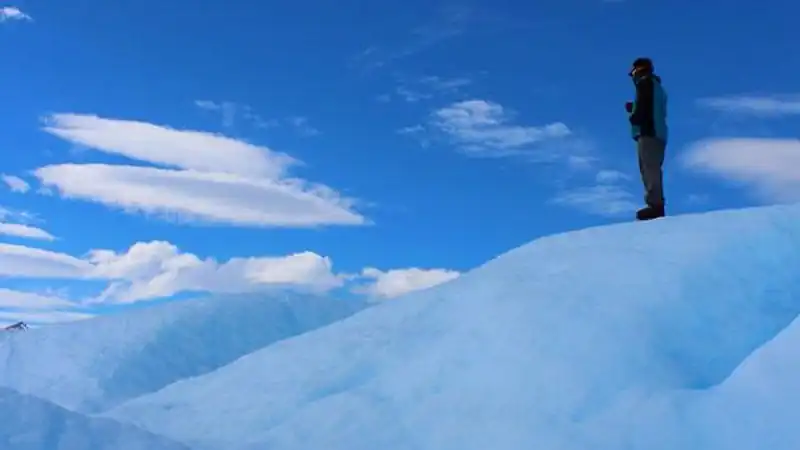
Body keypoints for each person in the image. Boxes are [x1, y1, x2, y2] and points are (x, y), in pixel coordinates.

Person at [625, 57, 668, 221]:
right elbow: (654, 108)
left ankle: (655, 206)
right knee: (653, 168)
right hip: (659, 133)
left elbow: (644, 109)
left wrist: (634, 115)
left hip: (649, 132)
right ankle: (656, 204)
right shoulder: (658, 87)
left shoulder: (645, 84)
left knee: (649, 169)